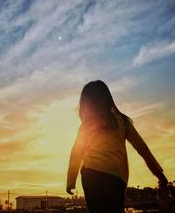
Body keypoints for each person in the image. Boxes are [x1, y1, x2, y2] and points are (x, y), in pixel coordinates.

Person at [66, 80, 168, 213]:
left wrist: (71, 181)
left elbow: (76, 152)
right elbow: (141, 147)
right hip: (115, 176)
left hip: (90, 173)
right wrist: (158, 173)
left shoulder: (87, 124)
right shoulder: (123, 121)